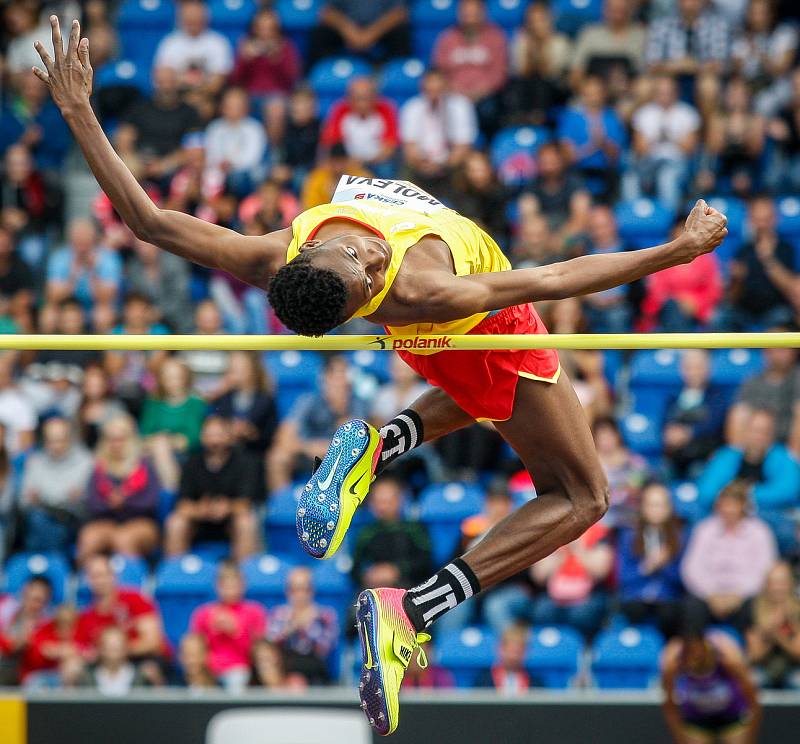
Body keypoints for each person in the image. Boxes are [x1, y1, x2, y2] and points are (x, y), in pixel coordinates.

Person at [35, 18, 729, 734]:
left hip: (433, 346)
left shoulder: (286, 248)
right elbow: (556, 276)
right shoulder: (420, 290)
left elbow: (152, 222)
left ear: (310, 254)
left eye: (355, 261)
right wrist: (676, 251)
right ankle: (413, 609)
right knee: (585, 497)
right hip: (475, 329)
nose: (368, 265)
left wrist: (81, 109)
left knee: (480, 395)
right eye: (365, 281)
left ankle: (379, 446)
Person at [696, 408, 800, 553]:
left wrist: (741, 496)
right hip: (724, 515)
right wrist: (735, 502)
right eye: (755, 430)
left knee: (785, 530)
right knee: (696, 523)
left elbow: (788, 491)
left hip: (768, 516)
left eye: (764, 431)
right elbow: (706, 492)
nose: (759, 436)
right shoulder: (726, 456)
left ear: (772, 435)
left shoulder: (784, 459)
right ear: (745, 431)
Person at [682, 481, 777, 635]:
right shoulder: (704, 529)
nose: (728, 510)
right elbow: (691, 568)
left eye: (733, 505)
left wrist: (737, 596)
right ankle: (696, 655)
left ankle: (746, 656)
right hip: (709, 595)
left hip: (744, 596)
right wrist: (711, 595)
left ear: (743, 506)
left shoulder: (760, 532)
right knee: (691, 607)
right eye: (724, 505)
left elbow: (765, 571)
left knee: (755, 608)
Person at [267, 354, 369, 491]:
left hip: (339, 458)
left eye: (344, 375)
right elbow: (284, 436)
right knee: (278, 458)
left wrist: (341, 409)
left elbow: (358, 443)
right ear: (325, 379)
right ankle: (283, 505)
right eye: (336, 376)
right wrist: (308, 447)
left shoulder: (358, 403)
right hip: (306, 454)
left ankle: (346, 507)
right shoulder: (308, 400)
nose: (341, 381)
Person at [165, 416, 261, 560]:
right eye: (210, 435)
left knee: (246, 522)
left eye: (219, 435)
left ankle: (245, 575)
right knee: (175, 522)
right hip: (198, 521)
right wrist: (200, 510)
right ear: (202, 437)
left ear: (230, 437)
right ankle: (175, 574)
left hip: (231, 521)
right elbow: (182, 504)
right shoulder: (192, 463)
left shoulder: (246, 462)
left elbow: (246, 504)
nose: (215, 441)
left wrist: (227, 508)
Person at [77, 414, 161, 564]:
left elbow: (151, 501)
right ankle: (83, 583)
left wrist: (125, 503)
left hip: (140, 522)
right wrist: (110, 504)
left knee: (124, 539)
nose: (115, 444)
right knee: (89, 538)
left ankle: (130, 584)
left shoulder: (144, 465)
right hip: (106, 521)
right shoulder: (99, 467)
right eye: (110, 439)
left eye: (121, 439)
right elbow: (92, 503)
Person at [662, 630, 761, 744]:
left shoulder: (728, 658)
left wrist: (751, 734)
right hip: (696, 718)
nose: (695, 657)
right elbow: (669, 706)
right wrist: (679, 737)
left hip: (732, 714)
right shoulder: (673, 662)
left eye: (697, 651)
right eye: (690, 652)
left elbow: (753, 697)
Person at [714, 196, 796, 331]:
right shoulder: (744, 250)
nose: (762, 225)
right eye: (758, 220)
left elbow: (791, 289)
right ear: (750, 221)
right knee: (720, 317)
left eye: (766, 219)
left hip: (775, 310)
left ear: (775, 219)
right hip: (744, 311)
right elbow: (733, 298)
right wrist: (736, 280)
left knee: (785, 317)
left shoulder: (786, 249)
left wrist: (768, 259)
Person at [76, 554, 168, 672]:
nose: (99, 581)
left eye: (103, 575)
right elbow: (84, 649)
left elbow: (153, 642)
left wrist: (116, 650)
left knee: (149, 670)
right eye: (94, 577)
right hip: (105, 665)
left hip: (142, 659)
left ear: (114, 576)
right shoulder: (87, 615)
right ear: (88, 580)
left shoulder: (135, 599)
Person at [623, 75, 701, 211]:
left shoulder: (687, 113)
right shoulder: (643, 113)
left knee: (666, 176)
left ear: (676, 93)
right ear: (655, 93)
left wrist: (669, 136)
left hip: (676, 163)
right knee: (630, 177)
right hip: (649, 162)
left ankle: (668, 220)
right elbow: (640, 148)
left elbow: (689, 148)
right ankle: (634, 217)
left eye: (668, 92)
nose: (665, 96)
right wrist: (660, 137)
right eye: (661, 92)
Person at [617, 482, 685, 638]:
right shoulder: (629, 537)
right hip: (636, 597)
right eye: (651, 505)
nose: (656, 510)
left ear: (669, 508)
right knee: (634, 609)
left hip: (668, 598)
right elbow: (623, 577)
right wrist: (646, 567)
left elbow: (682, 578)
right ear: (642, 507)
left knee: (669, 613)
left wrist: (664, 565)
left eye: (661, 505)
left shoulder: (680, 537)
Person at [189, 560, 267, 692]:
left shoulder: (254, 611)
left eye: (234, 585)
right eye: (226, 586)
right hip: (208, 668)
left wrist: (236, 632)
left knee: (237, 680)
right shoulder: (203, 613)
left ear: (243, 585)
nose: (230, 590)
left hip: (241, 668)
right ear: (217, 586)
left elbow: (259, 650)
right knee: (196, 687)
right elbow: (194, 647)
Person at [20, 416, 93, 554]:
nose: (56, 446)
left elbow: (85, 501)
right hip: (40, 517)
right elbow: (24, 500)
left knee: (56, 525)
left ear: (70, 439)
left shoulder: (85, 461)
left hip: (72, 519)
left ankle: (45, 564)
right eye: (51, 441)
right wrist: (62, 497)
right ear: (44, 441)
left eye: (60, 440)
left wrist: (43, 497)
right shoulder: (35, 461)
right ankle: (53, 565)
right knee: (39, 520)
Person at [433, 0, 508, 136]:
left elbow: (499, 73)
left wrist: (479, 92)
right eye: (466, 13)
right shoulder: (448, 38)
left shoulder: (495, 37)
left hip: (485, 96)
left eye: (473, 13)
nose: (470, 18)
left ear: (482, 13)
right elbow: (439, 72)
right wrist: (455, 89)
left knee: (489, 110)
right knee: (444, 108)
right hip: (453, 94)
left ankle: (486, 149)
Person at [529, 520, 613, 639]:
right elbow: (539, 576)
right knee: (542, 611)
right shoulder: (550, 532)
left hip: (589, 595)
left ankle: (585, 650)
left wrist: (578, 549)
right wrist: (560, 550)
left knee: (581, 614)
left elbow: (601, 572)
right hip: (554, 596)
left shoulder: (598, 532)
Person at [399, 68, 477, 195]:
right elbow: (409, 147)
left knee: (467, 170)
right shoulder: (412, 107)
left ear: (447, 87)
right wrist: (421, 163)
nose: (434, 95)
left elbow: (463, 146)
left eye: (438, 90)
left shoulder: (461, 106)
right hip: (421, 164)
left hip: (451, 164)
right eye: (430, 91)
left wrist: (442, 165)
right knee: (403, 174)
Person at [351, 476, 433, 591]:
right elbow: (355, 569)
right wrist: (368, 574)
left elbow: (426, 562)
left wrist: (397, 570)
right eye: (377, 502)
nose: (382, 507)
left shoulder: (414, 529)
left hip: (410, 591)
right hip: (375, 591)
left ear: (399, 500)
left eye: (387, 501)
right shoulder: (367, 533)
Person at [641, 220, 724, 332]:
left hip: (700, 309)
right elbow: (656, 290)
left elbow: (713, 289)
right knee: (674, 310)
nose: (685, 235)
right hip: (667, 308)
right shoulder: (661, 256)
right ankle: (682, 348)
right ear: (673, 232)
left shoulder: (707, 258)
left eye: (689, 231)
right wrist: (680, 301)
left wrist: (696, 303)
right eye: (681, 230)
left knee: (719, 318)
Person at [139, 357, 207, 491]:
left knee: (161, 445)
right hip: (152, 453)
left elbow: (194, 438)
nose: (173, 382)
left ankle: (171, 492)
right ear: (161, 379)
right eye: (168, 377)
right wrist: (164, 442)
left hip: (187, 457)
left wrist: (165, 441)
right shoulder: (153, 403)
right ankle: (172, 492)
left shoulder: (195, 403)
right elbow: (144, 436)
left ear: (186, 378)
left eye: (177, 377)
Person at [267, 567, 339, 685]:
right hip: (285, 667)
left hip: (315, 671)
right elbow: (270, 644)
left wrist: (308, 626)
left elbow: (325, 649)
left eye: (304, 589)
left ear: (312, 591)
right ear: (287, 591)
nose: (299, 595)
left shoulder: (325, 615)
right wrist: (292, 626)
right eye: (294, 590)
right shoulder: (278, 614)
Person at [663, 350, 728, 479]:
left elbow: (714, 423)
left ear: (708, 369)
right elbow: (664, 424)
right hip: (676, 458)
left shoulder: (717, 397)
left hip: (704, 457)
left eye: (698, 367)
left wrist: (688, 433)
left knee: (699, 472)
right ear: (682, 369)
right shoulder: (673, 397)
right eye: (689, 367)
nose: (694, 372)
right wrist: (670, 434)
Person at [320, 77, 399, 179]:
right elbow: (333, 144)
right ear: (349, 98)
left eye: (366, 98)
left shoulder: (386, 110)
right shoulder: (340, 111)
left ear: (375, 97)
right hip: (348, 162)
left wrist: (367, 161)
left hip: (377, 162)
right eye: (358, 99)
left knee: (386, 169)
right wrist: (349, 162)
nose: (362, 104)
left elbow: (389, 146)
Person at [153, 0, 233, 95]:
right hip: (178, 96)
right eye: (189, 19)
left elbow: (217, 81)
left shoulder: (218, 42)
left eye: (197, 19)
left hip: (207, 97)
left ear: (205, 18)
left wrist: (185, 81)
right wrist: (193, 82)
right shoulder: (171, 42)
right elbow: (163, 76)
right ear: (181, 19)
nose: (193, 22)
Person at [210, 351, 278, 455]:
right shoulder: (224, 397)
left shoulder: (265, 399)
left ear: (252, 371)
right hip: (224, 453)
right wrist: (228, 428)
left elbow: (270, 433)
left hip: (254, 453)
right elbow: (214, 420)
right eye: (232, 369)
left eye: (239, 369)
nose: (234, 373)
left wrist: (252, 433)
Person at [203, 87, 267, 197]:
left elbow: (252, 159)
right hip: (218, 171)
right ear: (223, 107)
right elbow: (210, 154)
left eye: (237, 105)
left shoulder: (254, 128)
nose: (233, 109)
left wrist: (232, 164)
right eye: (229, 105)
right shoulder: (215, 128)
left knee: (239, 177)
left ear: (245, 107)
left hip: (245, 174)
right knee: (208, 176)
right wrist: (220, 163)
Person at [746, 561, 800, 689]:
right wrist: (769, 630)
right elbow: (754, 656)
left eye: (782, 583)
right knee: (751, 680)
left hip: (793, 669)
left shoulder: (797, 609)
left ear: (790, 584)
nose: (778, 588)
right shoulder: (753, 608)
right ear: (766, 585)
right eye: (774, 583)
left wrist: (780, 635)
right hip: (763, 668)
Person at [308, 0, 410, 67]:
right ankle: (318, 76)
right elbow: (327, 13)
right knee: (321, 33)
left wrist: (370, 35)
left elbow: (400, 13)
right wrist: (349, 31)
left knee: (401, 33)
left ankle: (392, 74)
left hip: (380, 30)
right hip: (348, 31)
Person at [592, 416, 650, 529]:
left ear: (617, 435)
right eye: (601, 437)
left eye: (609, 435)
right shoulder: (590, 465)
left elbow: (637, 488)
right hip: (601, 522)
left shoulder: (634, 462)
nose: (605, 441)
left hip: (630, 520)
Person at [475, 625, 532, 692]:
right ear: (500, 648)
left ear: (526, 651)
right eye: (511, 651)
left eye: (518, 652)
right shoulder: (483, 680)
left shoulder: (535, 683)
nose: (513, 657)